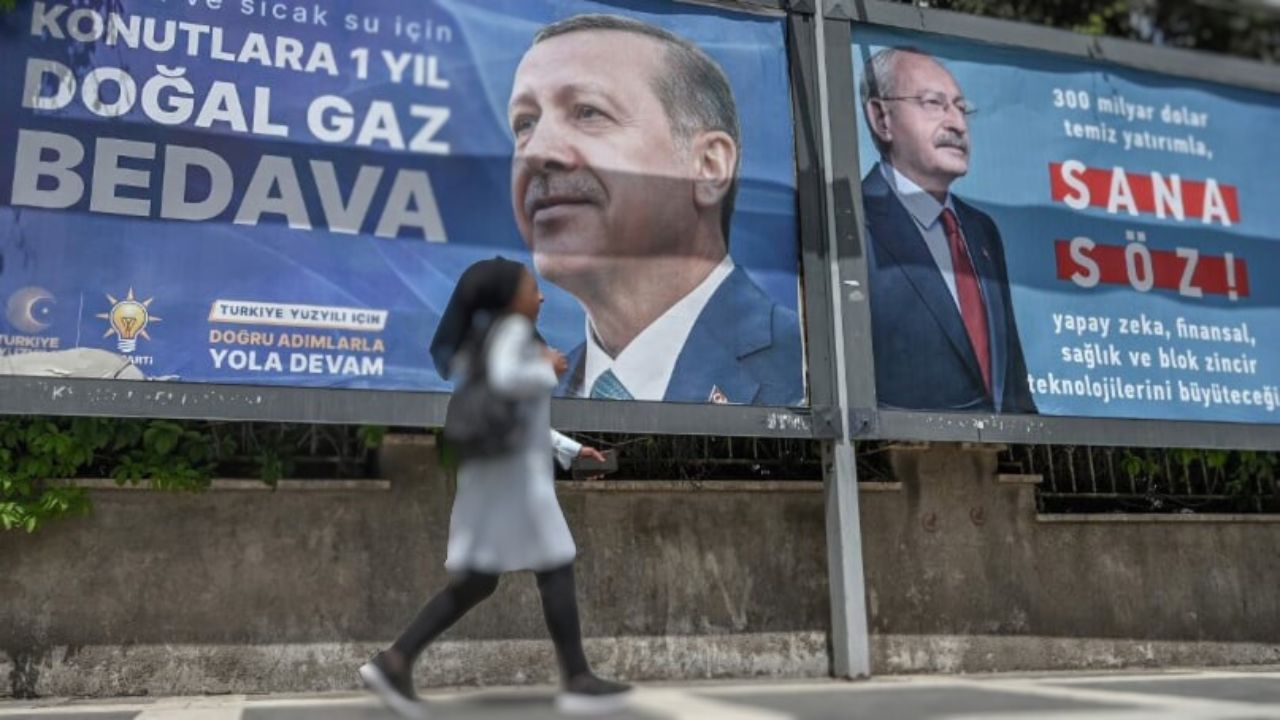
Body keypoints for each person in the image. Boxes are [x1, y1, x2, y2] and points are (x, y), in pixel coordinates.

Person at [359, 257, 632, 718]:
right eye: (533, 288)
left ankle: (395, 660)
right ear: (509, 298)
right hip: (513, 483)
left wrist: (569, 450)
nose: (542, 297)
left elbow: (518, 416)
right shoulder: (511, 334)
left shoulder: (489, 337)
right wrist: (549, 365)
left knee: (477, 582)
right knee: (555, 565)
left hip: (494, 478)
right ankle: (579, 679)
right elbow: (510, 382)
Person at [507, 14, 804, 406]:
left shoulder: (805, 370)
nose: (537, 151)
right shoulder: (528, 405)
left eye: (588, 112)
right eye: (525, 123)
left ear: (709, 166)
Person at [860, 47, 1037, 414]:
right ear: (882, 119)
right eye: (934, 104)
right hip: (894, 461)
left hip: (995, 461)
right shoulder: (851, 221)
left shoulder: (981, 231)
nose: (957, 123)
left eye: (961, 107)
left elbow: (1012, 383)